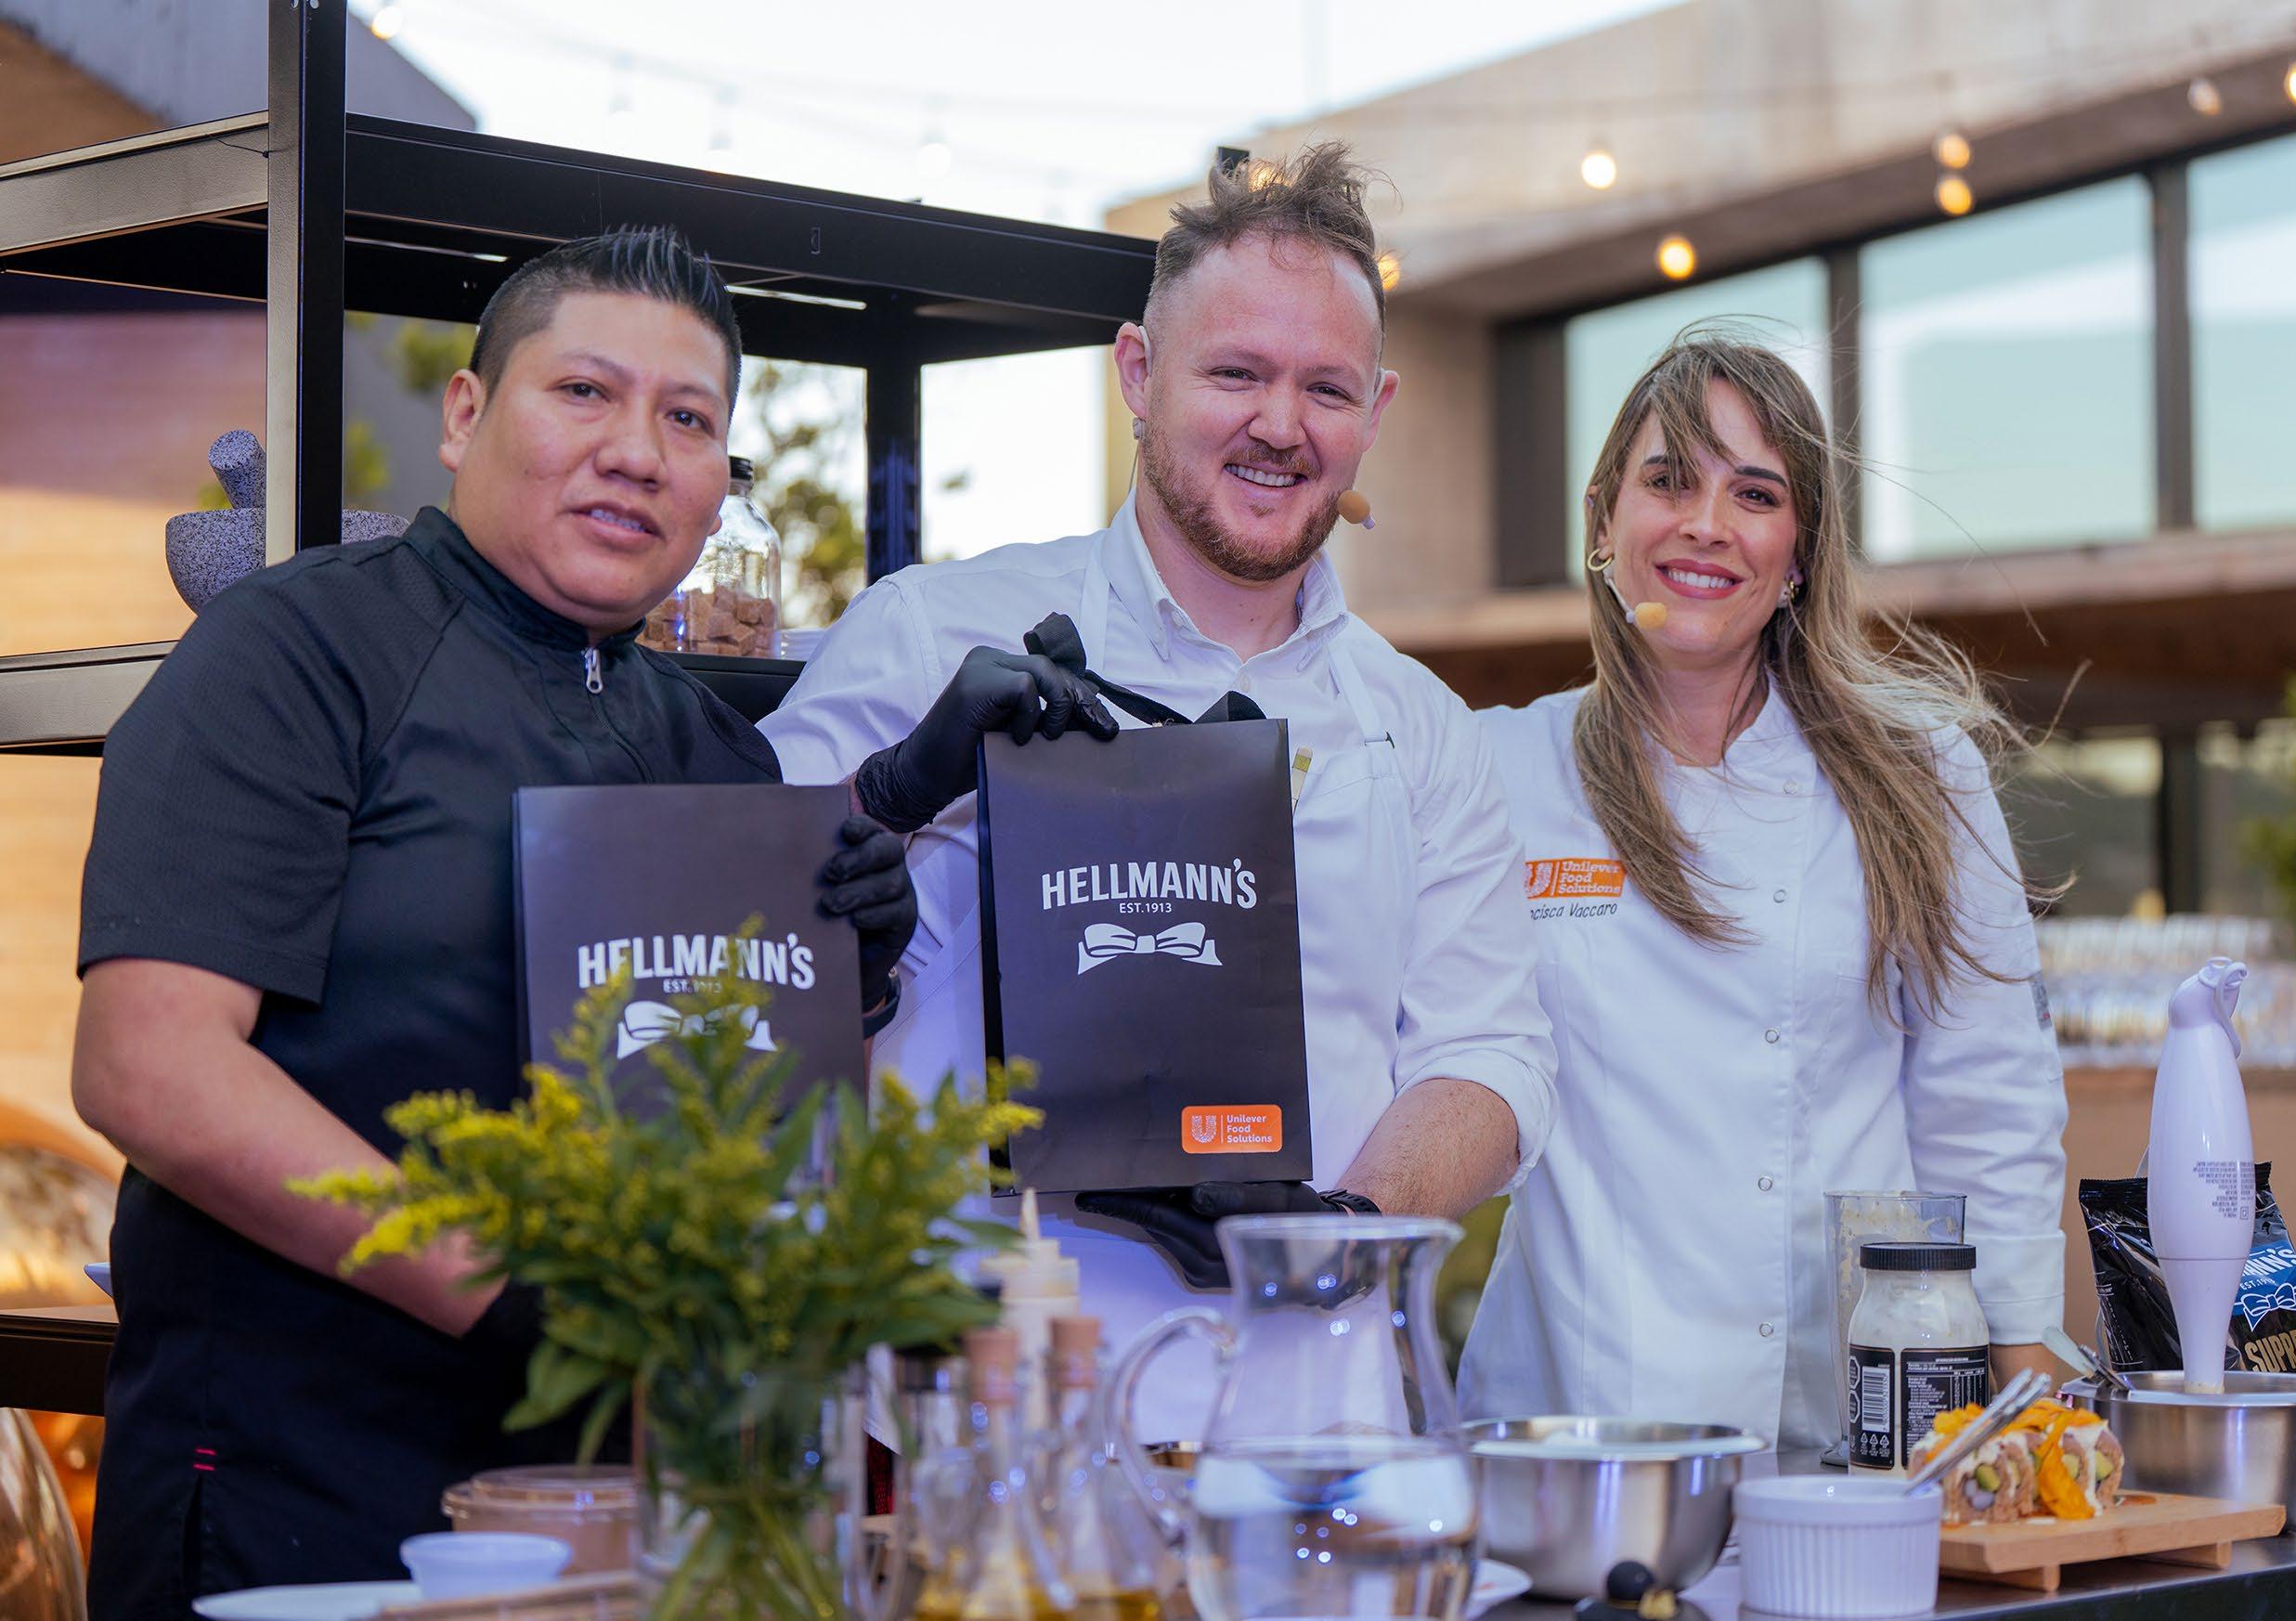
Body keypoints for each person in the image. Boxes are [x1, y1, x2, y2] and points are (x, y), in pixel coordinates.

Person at [72, 227, 916, 1617]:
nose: (636, 451)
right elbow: (146, 1063)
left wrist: (845, 983)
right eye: (584, 391)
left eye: (687, 418)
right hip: (304, 1496)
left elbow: (745, 1141)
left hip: (615, 1511)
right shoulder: (296, 653)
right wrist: (507, 1281)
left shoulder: (714, 752)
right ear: (464, 417)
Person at [758, 144, 1556, 1435]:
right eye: (1234, 373)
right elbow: (726, 961)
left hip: (1308, 1426)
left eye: (1325, 388)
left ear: (1375, 410)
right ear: (1136, 372)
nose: (1280, 425)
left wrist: (1335, 1226)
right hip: (975, 1431)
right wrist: (893, 794)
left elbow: (1490, 1056)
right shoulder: (925, 634)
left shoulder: (1419, 725)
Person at [1456, 331, 2069, 1451]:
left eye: (1753, 493)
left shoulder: (1919, 775)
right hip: (1572, 1420)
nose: (1705, 524)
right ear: (1601, 522)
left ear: (1797, 554)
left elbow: (1985, 1097)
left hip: (1856, 1412)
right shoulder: (1494, 769)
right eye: (1667, 480)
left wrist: (2021, 1354)